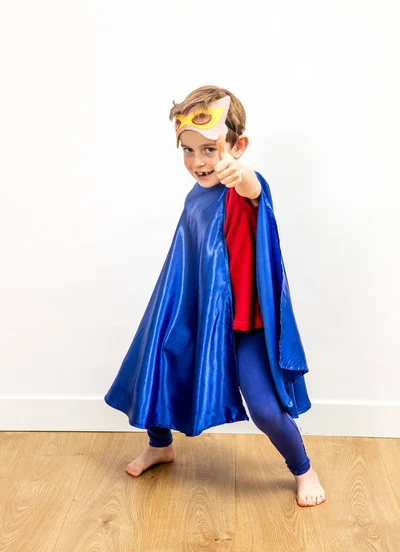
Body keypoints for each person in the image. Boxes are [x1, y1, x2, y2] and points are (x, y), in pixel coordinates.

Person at [104, 85, 326, 507]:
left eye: (209, 149)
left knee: (263, 407)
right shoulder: (197, 195)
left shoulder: (243, 185)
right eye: (188, 151)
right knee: (156, 365)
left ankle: (303, 468)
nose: (198, 162)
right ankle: (159, 444)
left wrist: (238, 174)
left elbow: (251, 186)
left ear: (237, 146)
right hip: (200, 315)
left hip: (246, 323)